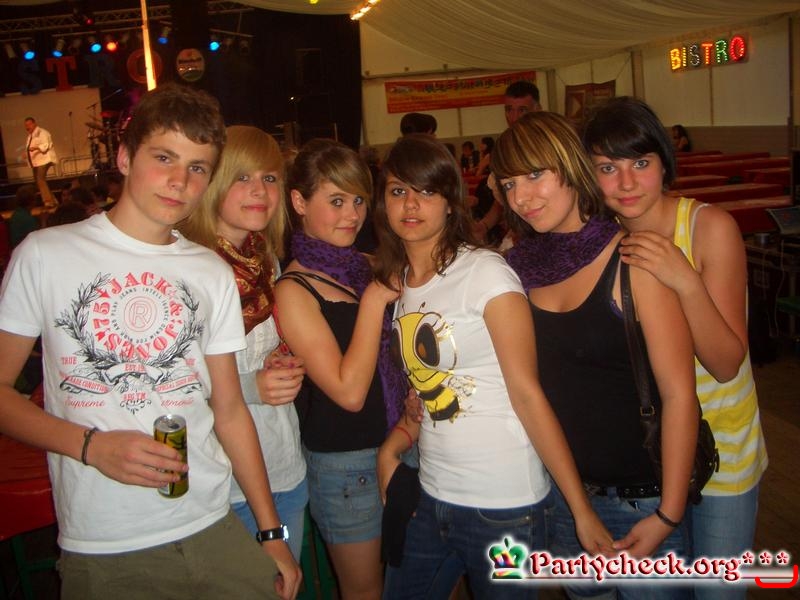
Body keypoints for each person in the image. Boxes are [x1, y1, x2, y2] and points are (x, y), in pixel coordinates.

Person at [0, 83, 300, 600]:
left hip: (213, 521)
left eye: (198, 167)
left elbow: (229, 410)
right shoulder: (46, 255)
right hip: (106, 539)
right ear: (124, 157)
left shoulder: (208, 270)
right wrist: (91, 447)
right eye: (164, 158)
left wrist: (271, 532)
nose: (180, 181)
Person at [374, 134, 613, 600]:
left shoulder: (485, 273)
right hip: (432, 493)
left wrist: (580, 510)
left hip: (505, 506)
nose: (411, 204)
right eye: (398, 191)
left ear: (451, 203)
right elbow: (433, 389)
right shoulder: (401, 284)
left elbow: (527, 394)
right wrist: (393, 446)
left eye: (427, 191)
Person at [492, 111, 699, 599]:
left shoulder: (635, 259)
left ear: (570, 165)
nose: (522, 197)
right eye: (510, 183)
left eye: (535, 175)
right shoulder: (515, 270)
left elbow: (680, 395)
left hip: (642, 502)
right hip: (565, 499)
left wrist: (668, 515)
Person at [582, 97, 768, 600]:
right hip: (648, 458)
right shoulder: (599, 242)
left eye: (640, 163)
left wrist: (684, 279)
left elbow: (726, 363)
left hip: (722, 451)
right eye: (607, 168)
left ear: (664, 162)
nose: (626, 183)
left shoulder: (709, 228)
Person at [274, 138, 407, 600]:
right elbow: (349, 393)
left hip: (403, 442)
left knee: (420, 580)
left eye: (358, 200)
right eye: (335, 201)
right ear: (299, 202)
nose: (351, 214)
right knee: (366, 591)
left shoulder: (363, 265)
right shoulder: (294, 289)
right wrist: (374, 301)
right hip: (347, 467)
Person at [180, 125, 308, 561]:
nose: (259, 190)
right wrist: (253, 385)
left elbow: (259, 348)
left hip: (284, 465)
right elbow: (172, 387)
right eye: (242, 177)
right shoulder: (187, 269)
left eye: (269, 178)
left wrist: (283, 357)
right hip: (222, 485)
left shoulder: (265, 260)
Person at [475, 80, 542, 243]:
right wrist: (483, 225)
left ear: (537, 109)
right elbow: (501, 200)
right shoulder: (504, 147)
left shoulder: (550, 144)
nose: (514, 117)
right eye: (509, 110)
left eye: (522, 110)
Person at [24, 116, 58, 207]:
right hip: (37, 162)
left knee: (40, 180)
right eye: (26, 125)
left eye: (29, 124)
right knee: (39, 181)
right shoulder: (30, 136)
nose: (27, 127)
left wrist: (36, 148)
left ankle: (48, 202)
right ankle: (53, 200)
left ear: (34, 124)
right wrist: (26, 154)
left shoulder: (42, 132)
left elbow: (46, 145)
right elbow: (29, 148)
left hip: (44, 160)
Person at [8, 184, 39, 249]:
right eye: (36, 198)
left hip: (18, 249)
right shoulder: (26, 218)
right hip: (24, 250)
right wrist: (44, 220)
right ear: (31, 201)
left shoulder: (17, 213)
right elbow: (37, 240)